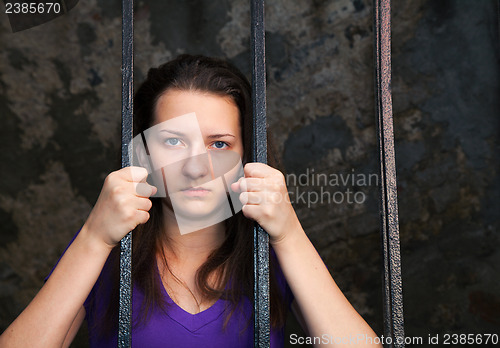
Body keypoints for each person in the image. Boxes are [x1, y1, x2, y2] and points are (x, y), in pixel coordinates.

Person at [0, 54, 381, 347]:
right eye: (173, 141)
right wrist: (94, 238)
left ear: (246, 156)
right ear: (143, 152)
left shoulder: (270, 254)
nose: (197, 167)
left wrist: (289, 235)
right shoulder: (107, 250)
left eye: (219, 144)